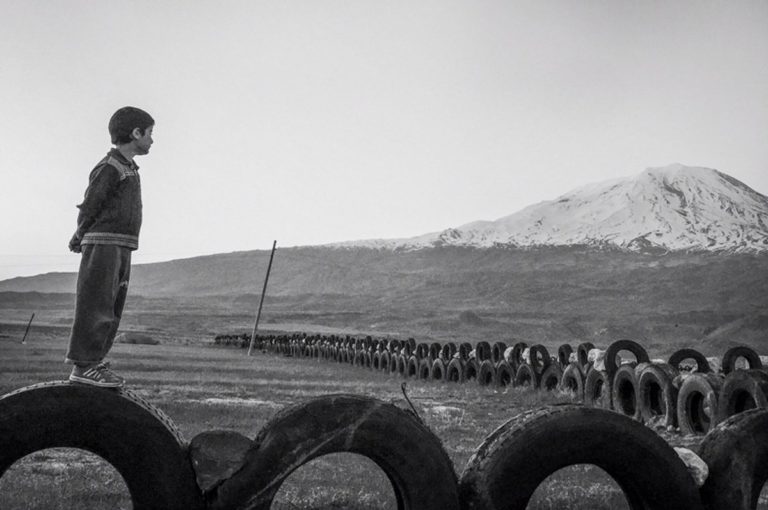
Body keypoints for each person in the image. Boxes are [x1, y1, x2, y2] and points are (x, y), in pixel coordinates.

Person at [66, 106, 154, 387]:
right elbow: (90, 204)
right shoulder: (109, 167)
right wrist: (79, 235)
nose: (152, 140)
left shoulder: (129, 168)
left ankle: (96, 362)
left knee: (112, 307)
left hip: (122, 245)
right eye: (150, 134)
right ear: (135, 133)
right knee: (96, 305)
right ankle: (83, 365)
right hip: (103, 243)